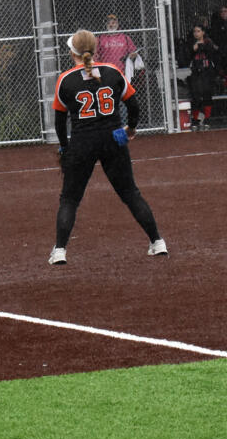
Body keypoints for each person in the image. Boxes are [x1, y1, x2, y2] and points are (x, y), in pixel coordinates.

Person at [48, 29, 166, 265]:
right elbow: (133, 105)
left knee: (70, 199)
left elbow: (60, 122)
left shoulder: (65, 79)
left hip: (82, 141)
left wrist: (64, 148)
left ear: (73, 52)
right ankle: (157, 242)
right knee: (131, 193)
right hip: (114, 137)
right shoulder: (113, 72)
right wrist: (130, 129)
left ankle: (59, 250)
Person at [178, 24, 219, 131]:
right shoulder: (190, 43)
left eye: (199, 31)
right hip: (196, 72)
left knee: (207, 95)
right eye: (195, 31)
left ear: (203, 32)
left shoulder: (209, 42)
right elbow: (186, 56)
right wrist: (194, 48)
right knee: (196, 96)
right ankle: (195, 119)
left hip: (207, 72)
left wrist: (204, 46)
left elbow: (214, 53)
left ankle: (207, 118)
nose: (196, 33)